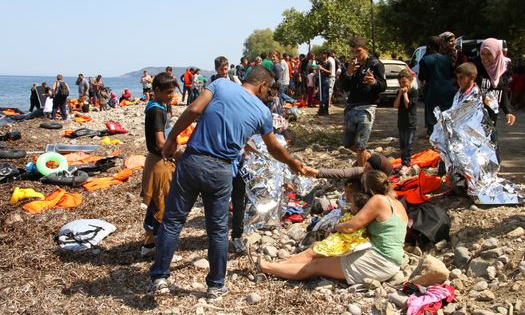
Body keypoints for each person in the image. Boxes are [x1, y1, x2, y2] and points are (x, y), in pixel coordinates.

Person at [149, 66, 308, 298]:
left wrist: (172, 138)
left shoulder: (221, 85)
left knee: (173, 221)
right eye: (268, 90)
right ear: (262, 85)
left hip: (193, 160)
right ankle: (215, 286)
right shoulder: (263, 112)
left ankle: (160, 278)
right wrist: (292, 163)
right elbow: (274, 147)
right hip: (222, 170)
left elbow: (194, 109)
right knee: (218, 230)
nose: (269, 94)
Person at [253, 170, 407, 284]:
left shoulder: (379, 200)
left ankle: (265, 267)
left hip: (379, 261)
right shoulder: (398, 204)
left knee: (315, 266)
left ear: (371, 190)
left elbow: (351, 227)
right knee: (317, 251)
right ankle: (277, 267)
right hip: (391, 261)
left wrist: (336, 227)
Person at [141, 72, 178, 258]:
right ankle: (158, 246)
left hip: (155, 160)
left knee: (155, 203)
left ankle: (148, 244)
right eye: (169, 92)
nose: (172, 95)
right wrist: (178, 153)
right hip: (159, 163)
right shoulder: (156, 110)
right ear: (157, 91)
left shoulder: (157, 105)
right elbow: (160, 142)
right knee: (161, 206)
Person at [340, 37, 386, 166]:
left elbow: (383, 85)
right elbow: (343, 87)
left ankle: (361, 175)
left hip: (367, 108)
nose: (356, 55)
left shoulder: (375, 64)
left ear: (365, 49)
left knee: (360, 145)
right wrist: (348, 73)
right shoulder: (351, 65)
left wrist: (374, 82)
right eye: (353, 52)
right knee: (348, 143)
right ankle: (373, 158)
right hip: (351, 108)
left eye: (358, 51)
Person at [419, 36, 456, 136]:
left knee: (432, 115)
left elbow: (422, 77)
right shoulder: (446, 58)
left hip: (433, 90)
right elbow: (451, 73)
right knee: (446, 113)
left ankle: (433, 135)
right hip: (448, 89)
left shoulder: (425, 59)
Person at [475, 38, 516, 127]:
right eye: (482, 53)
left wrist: (508, 112)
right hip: (476, 116)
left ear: (497, 53)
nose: (485, 58)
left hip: (492, 114)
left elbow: (502, 92)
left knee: (491, 139)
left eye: (489, 54)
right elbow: (469, 89)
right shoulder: (476, 68)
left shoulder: (502, 70)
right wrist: (483, 96)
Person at [393, 69, 418, 175]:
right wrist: (400, 94)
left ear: (410, 80)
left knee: (408, 144)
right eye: (400, 82)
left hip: (410, 122)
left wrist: (405, 94)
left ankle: (407, 164)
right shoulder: (399, 91)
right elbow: (395, 105)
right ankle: (403, 163)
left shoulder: (414, 92)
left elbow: (408, 105)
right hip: (401, 122)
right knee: (402, 144)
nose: (402, 85)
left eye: (404, 82)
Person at [317, 50, 332, 116]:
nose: (321, 55)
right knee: (320, 95)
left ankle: (325, 111)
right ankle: (320, 111)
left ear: (326, 55)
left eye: (323, 54)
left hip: (326, 80)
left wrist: (322, 69)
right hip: (321, 80)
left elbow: (330, 72)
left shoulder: (328, 63)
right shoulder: (320, 62)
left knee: (325, 96)